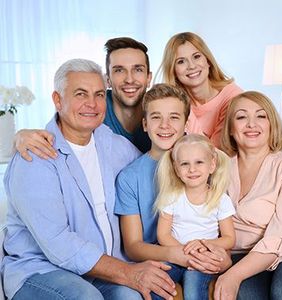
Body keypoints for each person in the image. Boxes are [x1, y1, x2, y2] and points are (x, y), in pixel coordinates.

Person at [1, 59, 177, 300]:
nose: (92, 104)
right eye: (80, 94)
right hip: (42, 271)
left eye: (98, 94)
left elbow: (155, 167)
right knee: (86, 297)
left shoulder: (116, 146)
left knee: (132, 298)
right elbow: (59, 244)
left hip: (103, 270)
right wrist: (128, 272)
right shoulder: (35, 157)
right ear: (57, 100)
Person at [115, 84, 232, 299]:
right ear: (145, 124)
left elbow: (224, 230)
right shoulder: (130, 177)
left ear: (186, 123)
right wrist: (180, 255)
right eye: (156, 117)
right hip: (162, 257)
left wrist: (220, 257)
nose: (165, 125)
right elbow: (133, 246)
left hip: (205, 254)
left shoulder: (205, 166)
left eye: (174, 117)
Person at [214, 91, 282, 300]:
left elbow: (281, 234)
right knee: (247, 295)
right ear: (231, 129)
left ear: (272, 125)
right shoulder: (218, 169)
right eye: (242, 117)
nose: (252, 124)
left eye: (261, 116)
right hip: (245, 253)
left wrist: (232, 275)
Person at [14, 37, 152, 160]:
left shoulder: (159, 109)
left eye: (138, 69)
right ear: (108, 80)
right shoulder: (94, 108)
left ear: (149, 77)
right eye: (119, 70)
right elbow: (59, 131)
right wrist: (20, 137)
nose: (129, 79)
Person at [154, 134, 236, 300]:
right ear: (176, 169)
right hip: (176, 255)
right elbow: (163, 235)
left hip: (204, 259)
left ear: (212, 164)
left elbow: (229, 238)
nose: (192, 169)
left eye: (199, 162)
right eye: (185, 164)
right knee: (157, 286)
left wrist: (203, 246)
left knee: (193, 289)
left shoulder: (220, 199)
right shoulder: (171, 197)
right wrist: (184, 253)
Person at [156, 32, 243, 148]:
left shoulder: (232, 96)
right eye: (181, 61)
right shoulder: (175, 103)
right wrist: (181, 104)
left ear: (208, 61)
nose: (191, 66)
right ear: (173, 71)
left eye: (196, 57)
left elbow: (212, 151)